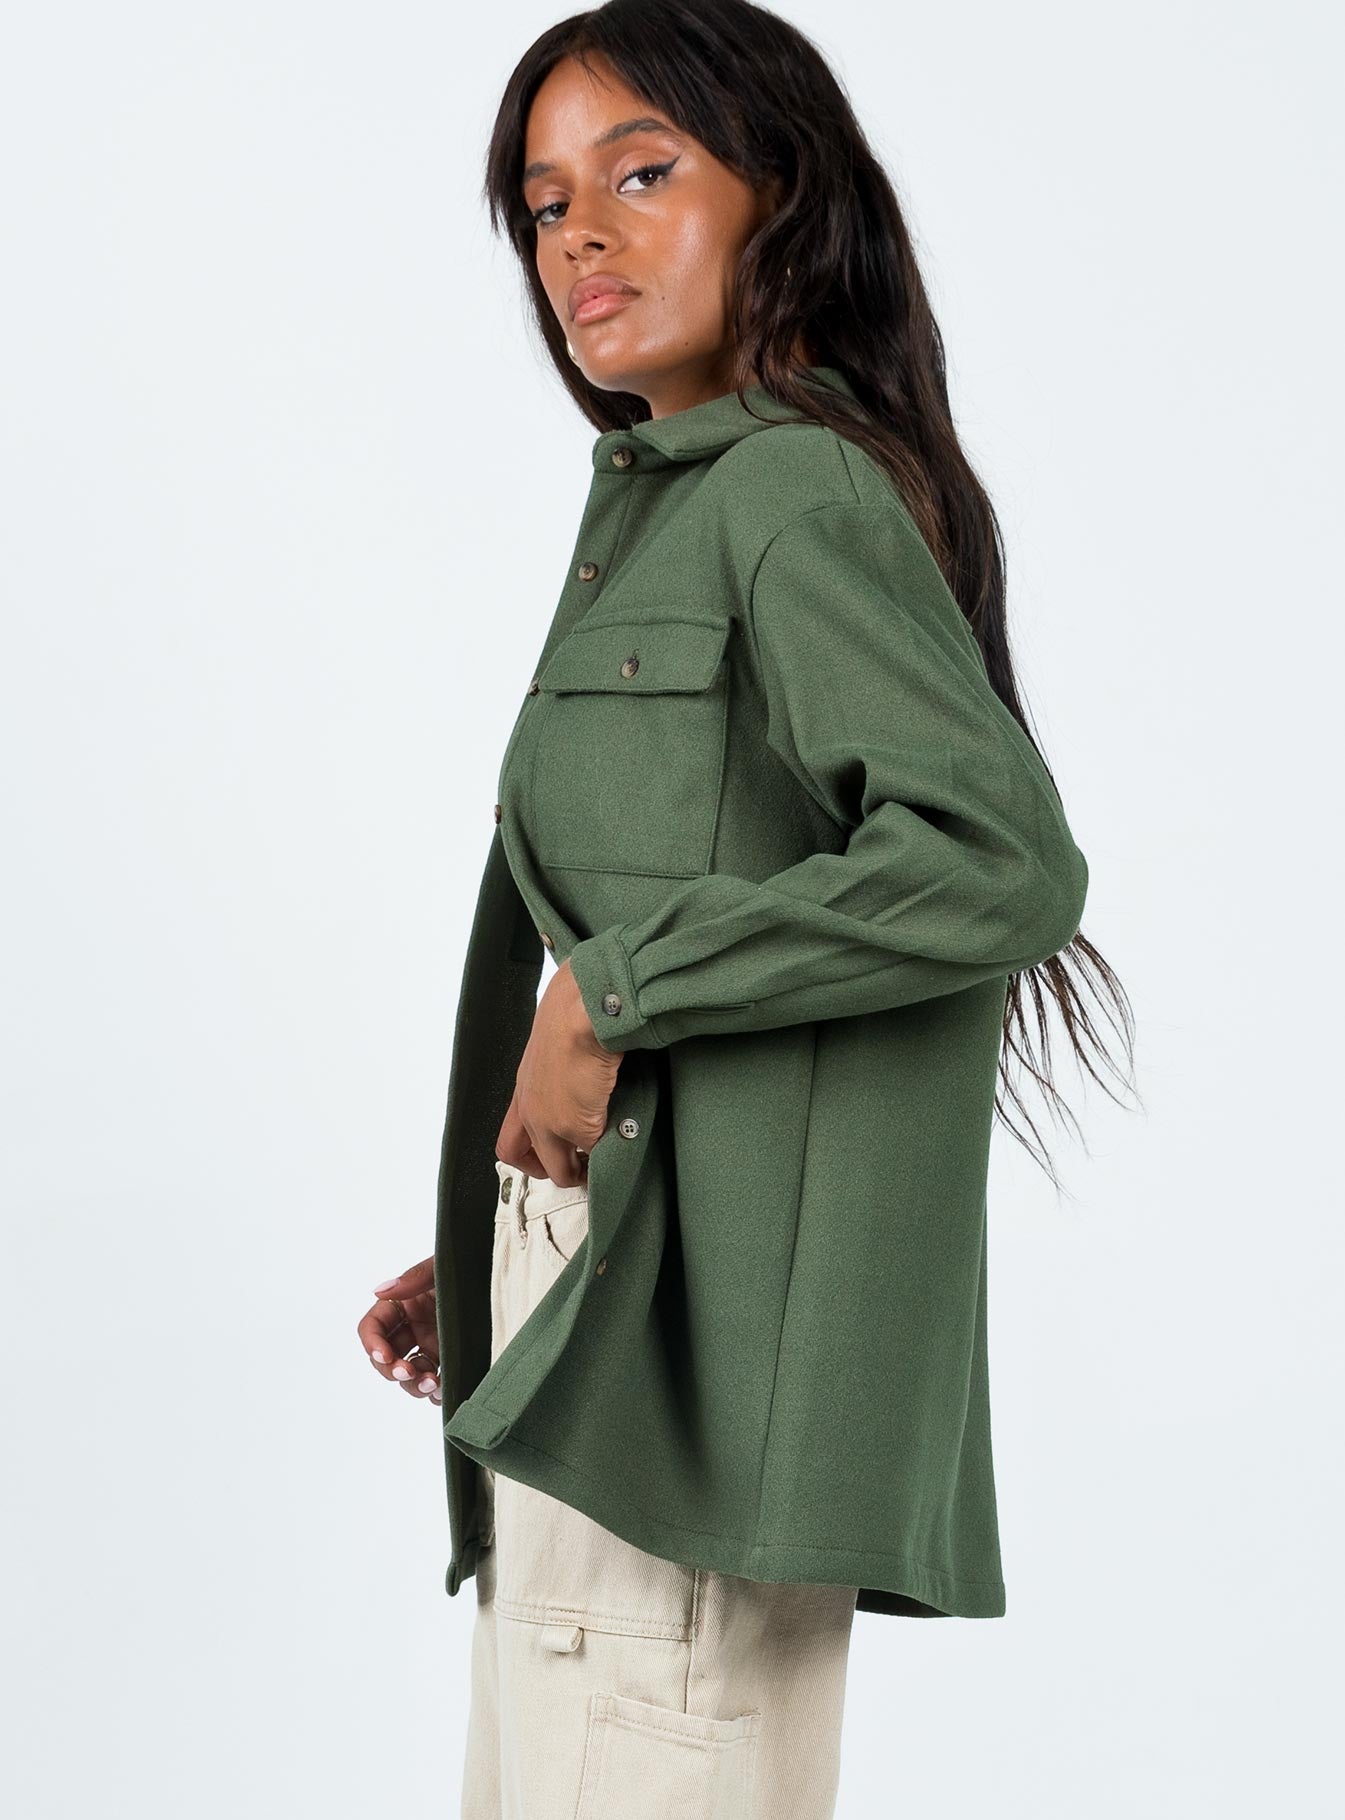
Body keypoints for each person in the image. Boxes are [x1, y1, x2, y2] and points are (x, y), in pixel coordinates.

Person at [356, 2, 1134, 1814]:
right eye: (544, 204)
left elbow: (997, 860)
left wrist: (607, 995)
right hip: (616, 1319)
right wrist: (504, 1243)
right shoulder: (668, 505)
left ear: (784, 196)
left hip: (701, 1401)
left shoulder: (792, 490)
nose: (581, 238)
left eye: (642, 174)